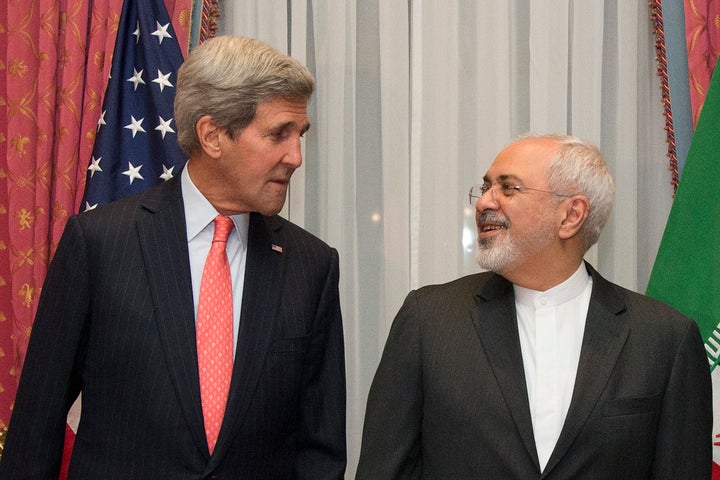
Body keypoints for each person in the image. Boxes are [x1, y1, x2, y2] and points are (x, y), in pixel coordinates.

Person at [0, 36, 346, 479]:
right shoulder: (100, 244)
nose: (296, 157)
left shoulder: (311, 265)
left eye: (300, 135)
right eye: (279, 133)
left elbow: (320, 451)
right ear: (213, 135)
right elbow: (36, 432)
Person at [355, 133, 712, 479]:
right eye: (485, 187)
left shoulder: (665, 339)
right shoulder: (429, 321)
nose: (483, 202)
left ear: (571, 215)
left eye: (508, 188)